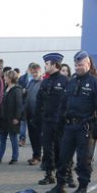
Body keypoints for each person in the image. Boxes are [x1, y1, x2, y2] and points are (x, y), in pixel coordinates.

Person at [45, 51, 97, 193]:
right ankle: (60, 185)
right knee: (63, 157)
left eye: (80, 64)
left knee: (83, 160)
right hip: (69, 126)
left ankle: (82, 187)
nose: (78, 67)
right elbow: (63, 103)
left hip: (85, 128)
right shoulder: (72, 81)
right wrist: (59, 121)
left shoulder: (95, 82)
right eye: (76, 65)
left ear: (88, 64)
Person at [36, 53, 68, 185]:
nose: (45, 66)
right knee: (47, 149)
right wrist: (37, 116)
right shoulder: (46, 81)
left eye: (47, 64)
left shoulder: (65, 81)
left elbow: (68, 101)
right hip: (47, 121)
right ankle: (49, 174)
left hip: (60, 121)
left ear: (55, 64)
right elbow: (39, 100)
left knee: (61, 148)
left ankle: (63, 175)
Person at [0, 68, 22, 164]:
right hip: (3, 118)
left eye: (5, 77)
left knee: (13, 139)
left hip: (12, 118)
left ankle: (15, 157)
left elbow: (18, 104)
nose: (4, 78)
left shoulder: (16, 90)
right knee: (2, 139)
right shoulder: (6, 89)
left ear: (10, 78)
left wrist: (17, 117)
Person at [22, 63, 43, 166]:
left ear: (40, 71)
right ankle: (36, 155)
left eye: (36, 72)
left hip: (38, 115)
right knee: (32, 136)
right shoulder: (30, 83)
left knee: (38, 137)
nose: (34, 74)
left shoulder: (43, 83)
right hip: (29, 114)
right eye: (32, 72)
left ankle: (37, 156)